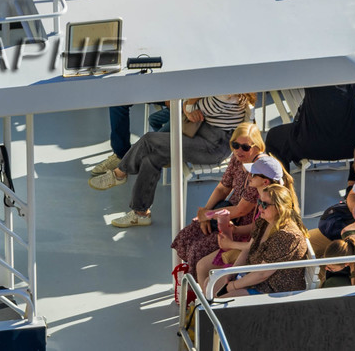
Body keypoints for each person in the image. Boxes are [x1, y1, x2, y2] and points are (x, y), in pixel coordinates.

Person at [91, 95, 256, 228]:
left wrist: (190, 103)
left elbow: (190, 107)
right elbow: (189, 107)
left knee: (149, 139)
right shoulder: (223, 91)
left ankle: (119, 174)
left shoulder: (226, 96)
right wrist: (190, 104)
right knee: (151, 159)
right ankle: (140, 213)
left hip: (212, 147)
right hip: (201, 136)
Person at [170, 124, 271, 267]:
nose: (238, 151)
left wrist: (209, 215)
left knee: (197, 250)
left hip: (242, 224)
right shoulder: (237, 159)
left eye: (245, 147)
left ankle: (197, 285)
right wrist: (205, 212)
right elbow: (222, 188)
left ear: (257, 147)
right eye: (235, 145)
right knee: (186, 235)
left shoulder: (260, 170)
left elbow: (241, 210)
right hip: (225, 213)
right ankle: (188, 278)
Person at [191, 153, 294, 292]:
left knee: (203, 267)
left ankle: (206, 305)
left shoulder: (271, 209)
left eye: (253, 174)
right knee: (202, 265)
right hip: (252, 254)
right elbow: (256, 230)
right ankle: (204, 303)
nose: (249, 176)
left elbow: (256, 249)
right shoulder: (265, 203)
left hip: (258, 264)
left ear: (265, 182)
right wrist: (235, 230)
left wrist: (229, 245)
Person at [211, 184, 309, 296]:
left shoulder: (287, 236)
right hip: (256, 277)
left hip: (274, 289)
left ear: (279, 208)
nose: (259, 207)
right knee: (211, 285)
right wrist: (232, 272)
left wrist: (233, 286)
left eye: (264, 204)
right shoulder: (264, 221)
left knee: (221, 299)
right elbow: (249, 249)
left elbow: (263, 273)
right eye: (259, 202)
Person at [265, 83, 355, 171]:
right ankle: (351, 182)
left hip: (312, 148)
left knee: (272, 137)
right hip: (350, 148)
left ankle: (282, 188)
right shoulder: (351, 76)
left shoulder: (314, 76)